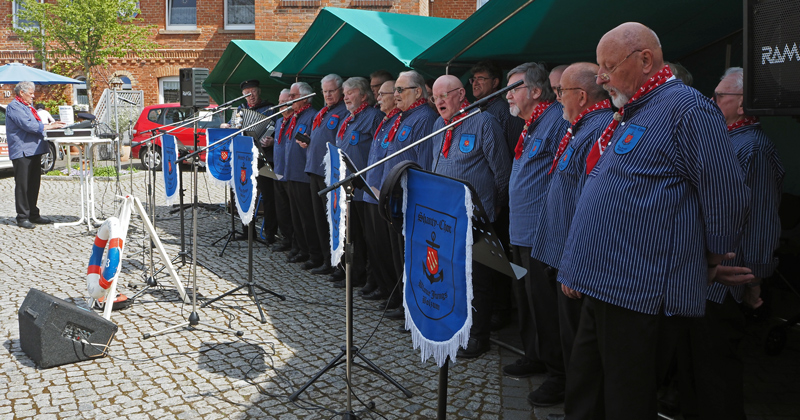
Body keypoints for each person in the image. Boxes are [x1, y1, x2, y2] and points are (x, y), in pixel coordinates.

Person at [557, 23, 749, 420]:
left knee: (626, 401)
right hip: (601, 283)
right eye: (599, 68)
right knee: (585, 391)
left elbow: (725, 193)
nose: (601, 77)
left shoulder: (687, 109)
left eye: (608, 66)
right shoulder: (631, 110)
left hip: (637, 291)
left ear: (645, 60)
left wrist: (710, 261)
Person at [669, 67, 783, 420]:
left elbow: (762, 220)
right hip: (704, 275)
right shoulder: (726, 139)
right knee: (692, 366)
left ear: (743, 104)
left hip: (728, 280)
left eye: (721, 96)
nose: (713, 100)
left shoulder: (755, 148)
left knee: (716, 370)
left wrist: (755, 281)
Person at [527, 63, 614, 420]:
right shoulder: (579, 127)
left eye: (560, 91)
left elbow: (588, 205)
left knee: (578, 343)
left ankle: (579, 403)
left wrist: (575, 265)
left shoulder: (597, 129)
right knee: (564, 333)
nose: (556, 97)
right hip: (559, 252)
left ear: (581, 96)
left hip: (573, 260)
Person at [502, 62, 570, 401]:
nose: (508, 95)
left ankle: (558, 373)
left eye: (513, 88)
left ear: (536, 91)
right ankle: (534, 354)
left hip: (541, 234)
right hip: (520, 231)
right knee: (526, 300)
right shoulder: (530, 124)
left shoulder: (556, 121)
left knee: (546, 306)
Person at [429, 75, 511, 353]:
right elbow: (434, 166)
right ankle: (457, 326)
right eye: (435, 97)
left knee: (478, 278)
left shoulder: (484, 123)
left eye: (444, 95)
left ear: (461, 94)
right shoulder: (438, 125)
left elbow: (502, 172)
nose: (439, 101)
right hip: (446, 218)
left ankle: (478, 336)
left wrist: (495, 206)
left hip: (476, 217)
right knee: (452, 276)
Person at [468, 60, 524, 332]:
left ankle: (501, 310)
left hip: (497, 202)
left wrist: (501, 200)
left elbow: (510, 155)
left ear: (495, 83)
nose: (475, 83)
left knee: (496, 258)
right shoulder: (477, 110)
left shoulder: (502, 111)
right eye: (472, 80)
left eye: (481, 78)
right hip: (487, 202)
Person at [332, 77, 384, 290]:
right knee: (351, 233)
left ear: (363, 95)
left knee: (367, 237)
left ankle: (370, 279)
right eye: (344, 93)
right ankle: (353, 272)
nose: (345, 97)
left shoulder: (373, 116)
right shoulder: (349, 117)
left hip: (365, 187)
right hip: (348, 186)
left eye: (350, 93)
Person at [299, 74, 349, 275]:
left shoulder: (344, 111)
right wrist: (308, 141)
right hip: (315, 170)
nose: (328, 95)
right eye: (325, 91)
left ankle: (339, 264)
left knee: (334, 221)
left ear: (340, 91)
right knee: (319, 219)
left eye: (332, 91)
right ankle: (325, 259)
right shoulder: (323, 112)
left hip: (332, 174)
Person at [220, 79, 278, 242]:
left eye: (253, 92)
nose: (251, 96)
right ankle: (247, 230)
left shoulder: (269, 108)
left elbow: (274, 128)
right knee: (245, 192)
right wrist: (227, 126)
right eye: (247, 93)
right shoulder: (240, 110)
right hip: (245, 157)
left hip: (264, 156)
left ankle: (270, 233)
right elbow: (234, 128)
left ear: (259, 92)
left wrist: (270, 139)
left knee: (268, 195)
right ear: (243, 95)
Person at [7, 81, 66, 228]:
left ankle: (33, 214)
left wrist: (52, 126)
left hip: (34, 150)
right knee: (23, 185)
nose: (33, 96)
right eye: (31, 93)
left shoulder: (28, 106)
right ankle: (22, 217)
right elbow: (29, 125)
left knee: (34, 184)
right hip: (22, 151)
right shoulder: (14, 106)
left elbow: (36, 123)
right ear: (22, 93)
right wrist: (49, 126)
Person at [362, 80, 400, 300]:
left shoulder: (397, 120)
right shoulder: (386, 121)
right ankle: (383, 287)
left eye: (382, 94)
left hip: (385, 193)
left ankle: (391, 292)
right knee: (375, 244)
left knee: (387, 248)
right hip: (371, 190)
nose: (378, 97)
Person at [284, 82, 320, 266]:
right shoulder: (295, 116)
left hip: (303, 174)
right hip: (292, 172)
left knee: (307, 217)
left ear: (305, 97)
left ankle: (313, 253)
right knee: (296, 216)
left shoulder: (312, 116)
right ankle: (299, 247)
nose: (290, 99)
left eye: (293, 96)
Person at [269, 89, 295, 254]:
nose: (281, 105)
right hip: (277, 170)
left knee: (293, 210)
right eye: (279, 102)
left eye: (284, 102)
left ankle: (296, 242)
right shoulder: (279, 122)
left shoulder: (295, 120)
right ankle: (286, 239)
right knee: (282, 209)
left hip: (291, 173)